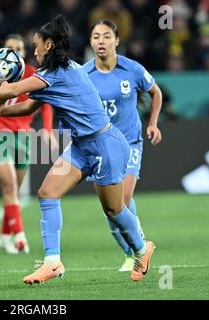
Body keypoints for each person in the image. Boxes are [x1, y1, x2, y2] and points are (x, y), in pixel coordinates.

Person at [0, 15, 156, 285]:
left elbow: (16, 88)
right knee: (47, 193)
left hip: (104, 144)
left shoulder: (57, 74)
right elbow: (28, 106)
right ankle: (53, 262)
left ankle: (142, 249)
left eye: (36, 45)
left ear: (49, 44)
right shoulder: (59, 71)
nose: (34, 51)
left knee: (114, 209)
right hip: (80, 146)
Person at [84, 20, 162, 271]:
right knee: (111, 208)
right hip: (100, 146)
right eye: (96, 37)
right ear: (91, 42)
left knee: (123, 199)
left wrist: (153, 123)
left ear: (116, 40)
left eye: (106, 36)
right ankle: (130, 252)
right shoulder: (84, 75)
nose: (101, 42)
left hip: (130, 142)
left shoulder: (133, 69)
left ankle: (139, 249)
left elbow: (156, 93)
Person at [0, 33, 55, 254]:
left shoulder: (32, 75)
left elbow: (45, 104)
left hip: (24, 136)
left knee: (13, 190)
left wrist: (46, 130)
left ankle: (4, 235)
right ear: (1, 50)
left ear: (25, 52)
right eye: (10, 48)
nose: (14, 53)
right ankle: (19, 237)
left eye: (19, 49)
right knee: (9, 185)